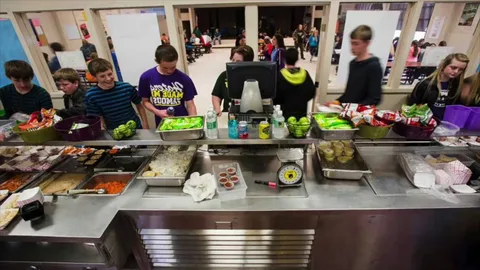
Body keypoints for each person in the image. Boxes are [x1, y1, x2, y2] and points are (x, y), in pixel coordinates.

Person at [138, 45, 198, 127]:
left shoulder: (184, 79)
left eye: (173, 67)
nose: (169, 71)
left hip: (182, 123)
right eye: (165, 68)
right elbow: (145, 101)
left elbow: (190, 105)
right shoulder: (146, 77)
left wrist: (194, 124)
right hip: (162, 124)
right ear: (157, 61)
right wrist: (157, 112)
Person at [85, 58, 149, 129]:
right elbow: (98, 118)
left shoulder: (126, 87)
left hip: (136, 128)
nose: (108, 78)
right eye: (102, 76)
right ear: (95, 77)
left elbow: (139, 105)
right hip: (114, 132)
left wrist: (145, 124)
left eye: (110, 74)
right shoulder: (91, 95)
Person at [409, 53, 469, 119]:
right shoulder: (425, 84)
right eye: (453, 67)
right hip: (426, 123)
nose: (456, 71)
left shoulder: (456, 86)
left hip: (445, 123)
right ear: (444, 65)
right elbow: (412, 106)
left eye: (461, 70)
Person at [334, 25, 383, 106]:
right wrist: (337, 102)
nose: (352, 47)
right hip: (348, 111)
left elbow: (374, 99)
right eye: (351, 43)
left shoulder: (374, 66)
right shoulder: (353, 63)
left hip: (360, 115)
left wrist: (351, 108)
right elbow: (350, 94)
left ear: (367, 43)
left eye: (356, 44)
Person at [211, 45, 255, 116]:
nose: (233, 63)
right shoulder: (224, 75)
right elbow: (216, 95)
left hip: (251, 114)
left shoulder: (256, 77)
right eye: (233, 60)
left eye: (238, 61)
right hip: (229, 115)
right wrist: (217, 108)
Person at [274, 48, 316, 119]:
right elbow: (312, 92)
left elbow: (275, 96)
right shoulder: (305, 74)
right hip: (301, 114)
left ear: (284, 59)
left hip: (284, 115)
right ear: (297, 59)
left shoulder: (280, 75)